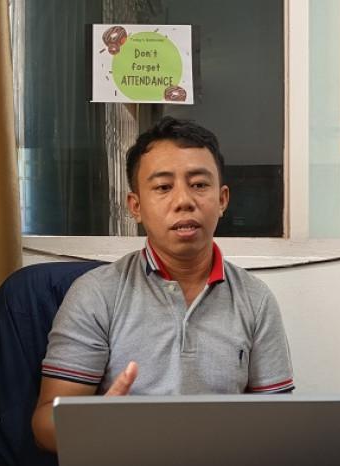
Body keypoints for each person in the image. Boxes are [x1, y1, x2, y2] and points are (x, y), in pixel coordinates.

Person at [31, 117, 295, 452]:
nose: (184, 200)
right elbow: (44, 425)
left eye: (199, 184)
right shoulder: (96, 294)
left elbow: (279, 422)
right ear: (136, 206)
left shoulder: (255, 299)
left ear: (222, 199)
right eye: (163, 187)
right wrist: (96, 424)